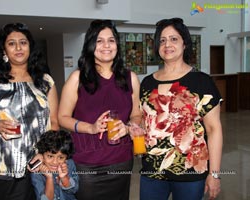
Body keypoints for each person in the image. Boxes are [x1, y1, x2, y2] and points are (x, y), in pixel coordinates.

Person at [0, 23, 59, 200]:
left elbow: (54, 122)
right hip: (3, 166)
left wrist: (45, 152)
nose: (18, 47)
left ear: (30, 47)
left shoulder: (45, 81)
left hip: (40, 163)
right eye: (11, 43)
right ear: (4, 49)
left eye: (23, 42)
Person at [139, 17, 223, 200]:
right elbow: (141, 120)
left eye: (173, 39)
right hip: (152, 171)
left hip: (190, 173)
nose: (167, 44)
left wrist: (214, 174)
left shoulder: (202, 81)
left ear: (185, 44)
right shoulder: (146, 83)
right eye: (162, 40)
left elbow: (214, 129)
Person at [58, 19, 142, 200]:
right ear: (90, 45)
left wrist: (128, 128)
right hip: (87, 164)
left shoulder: (130, 78)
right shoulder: (77, 78)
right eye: (99, 40)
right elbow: (62, 117)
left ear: (117, 45)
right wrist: (91, 127)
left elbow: (136, 114)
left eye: (111, 40)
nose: (106, 45)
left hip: (121, 160)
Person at [30, 130, 79, 200]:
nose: (55, 162)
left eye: (61, 157)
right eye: (50, 156)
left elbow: (74, 190)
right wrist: (49, 178)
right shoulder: (36, 172)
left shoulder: (69, 164)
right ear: (42, 155)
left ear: (66, 157)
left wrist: (64, 177)